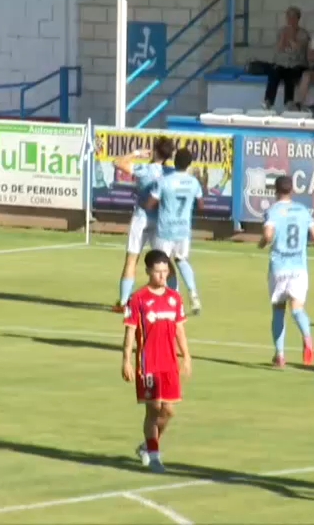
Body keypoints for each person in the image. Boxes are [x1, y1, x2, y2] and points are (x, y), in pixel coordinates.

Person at [121, 249, 193, 473]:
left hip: (169, 363)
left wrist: (187, 356)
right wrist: (126, 360)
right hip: (148, 363)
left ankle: (147, 446)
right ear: (148, 272)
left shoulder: (175, 298)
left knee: (168, 411)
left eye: (165, 271)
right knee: (153, 409)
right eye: (158, 271)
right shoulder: (138, 299)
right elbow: (130, 331)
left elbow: (179, 329)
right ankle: (154, 456)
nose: (162, 276)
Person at [257, 175, 314, 367]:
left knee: (278, 310)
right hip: (299, 267)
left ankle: (280, 355)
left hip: (279, 267)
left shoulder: (273, 211)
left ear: (275, 190)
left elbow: (268, 235)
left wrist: (262, 243)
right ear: (292, 190)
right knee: (297, 308)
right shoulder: (302, 210)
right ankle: (307, 336)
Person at [112, 136, 176, 312]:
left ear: (155, 151)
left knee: (132, 259)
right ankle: (172, 299)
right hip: (161, 220)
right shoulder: (170, 173)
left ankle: (124, 303)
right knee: (165, 262)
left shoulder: (145, 169)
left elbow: (117, 162)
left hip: (141, 217)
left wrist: (136, 153)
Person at [146, 148, 204, 314]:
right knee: (181, 260)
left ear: (174, 161)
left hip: (165, 229)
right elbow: (201, 205)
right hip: (183, 229)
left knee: (163, 265)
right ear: (189, 164)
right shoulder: (193, 182)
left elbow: (150, 204)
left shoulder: (165, 181)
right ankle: (193, 293)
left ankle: (175, 301)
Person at [263, 6, 309, 111]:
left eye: (293, 17)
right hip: (282, 64)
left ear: (298, 19)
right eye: (288, 17)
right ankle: (268, 101)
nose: (290, 20)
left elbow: (297, 49)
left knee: (291, 74)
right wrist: (284, 37)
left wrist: (291, 37)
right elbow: (278, 50)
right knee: (274, 73)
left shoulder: (303, 34)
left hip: (297, 64)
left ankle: (289, 102)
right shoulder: (281, 32)